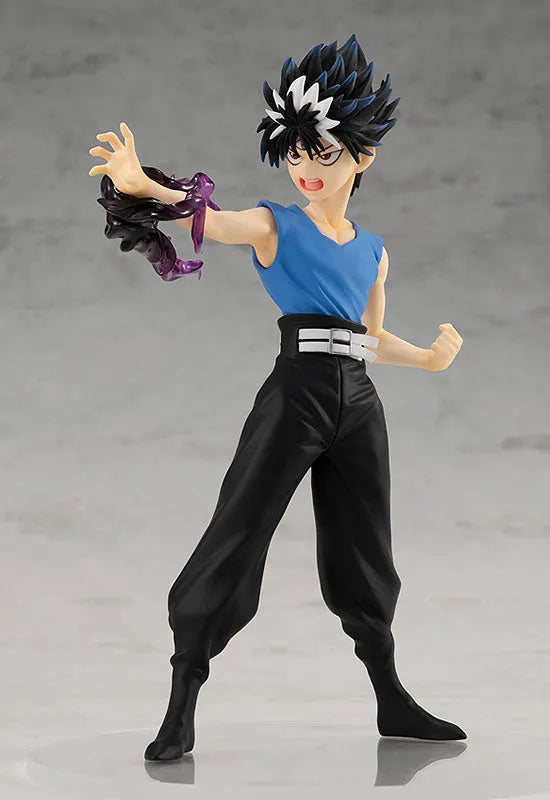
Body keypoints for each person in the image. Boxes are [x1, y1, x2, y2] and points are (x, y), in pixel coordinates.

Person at [88, 34, 466, 762]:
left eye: (321, 153)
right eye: (294, 154)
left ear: (362, 157)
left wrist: (426, 356)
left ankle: (390, 694)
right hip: (297, 393)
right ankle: (182, 699)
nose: (305, 169)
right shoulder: (275, 225)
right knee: (239, 527)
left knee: (366, 547)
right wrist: (147, 187)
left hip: (358, 400)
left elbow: (370, 337)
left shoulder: (372, 248)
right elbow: (211, 220)